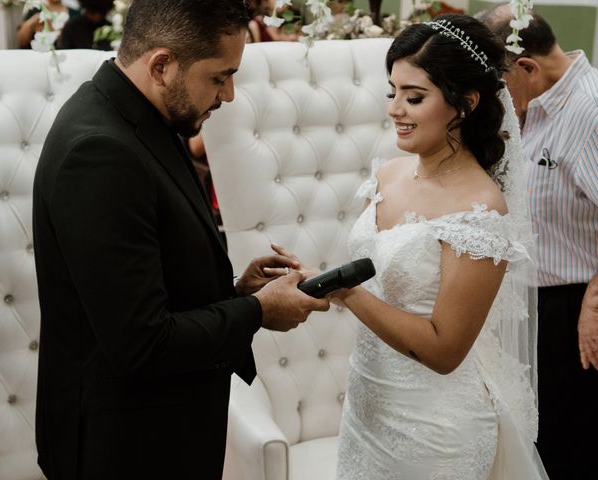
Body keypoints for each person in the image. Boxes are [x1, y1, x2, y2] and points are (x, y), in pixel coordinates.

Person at [32, 1, 329, 479]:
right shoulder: (100, 152)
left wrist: (234, 291)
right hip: (126, 452)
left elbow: (143, 286)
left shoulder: (138, 115)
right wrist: (259, 311)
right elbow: (141, 345)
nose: (229, 94)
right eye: (219, 77)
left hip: (160, 432)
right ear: (162, 65)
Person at [311, 13, 546, 479]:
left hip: (436, 430)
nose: (395, 109)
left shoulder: (480, 210)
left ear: (465, 104)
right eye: (392, 92)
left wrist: (349, 293)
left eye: (414, 97)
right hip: (367, 405)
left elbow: (444, 350)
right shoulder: (388, 174)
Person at [478, 5, 598, 479]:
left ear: (526, 66)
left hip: (572, 315)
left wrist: (593, 303)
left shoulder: (590, 112)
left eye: (497, 84)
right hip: (528, 307)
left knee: (571, 450)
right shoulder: (530, 103)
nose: (494, 98)